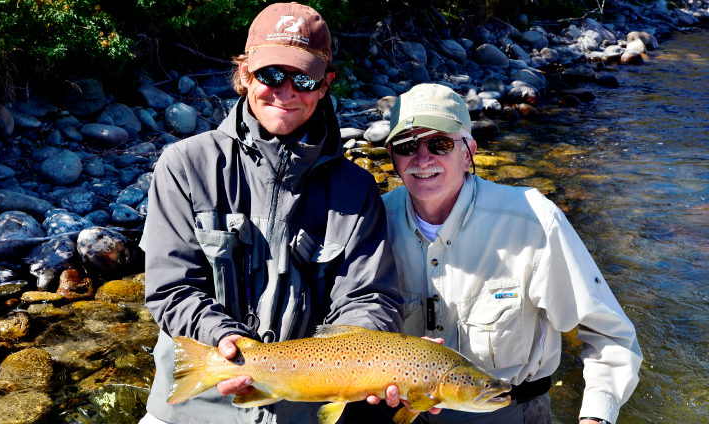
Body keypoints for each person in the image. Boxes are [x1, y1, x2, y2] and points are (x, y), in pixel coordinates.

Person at [138, 3, 404, 424]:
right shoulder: (185, 165)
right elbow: (171, 289)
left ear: (325, 84)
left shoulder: (356, 189)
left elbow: (370, 296)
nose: (285, 91)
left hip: (305, 408)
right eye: (270, 74)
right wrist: (223, 339)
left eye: (303, 78)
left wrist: (368, 355)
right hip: (196, 407)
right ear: (244, 74)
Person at [372, 83, 642, 424]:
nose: (423, 159)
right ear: (392, 156)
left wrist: (596, 417)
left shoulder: (534, 220)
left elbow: (611, 334)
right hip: (406, 414)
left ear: (469, 151)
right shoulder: (372, 223)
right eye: (407, 145)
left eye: (439, 144)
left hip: (511, 412)